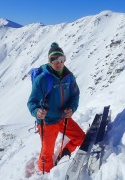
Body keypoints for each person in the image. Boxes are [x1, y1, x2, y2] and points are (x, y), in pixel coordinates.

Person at [27, 42, 85, 173]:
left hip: (63, 119)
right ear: (49, 61)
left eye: (61, 59)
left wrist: (72, 108)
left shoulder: (69, 77)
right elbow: (32, 102)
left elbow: (75, 95)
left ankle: (64, 154)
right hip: (47, 122)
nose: (58, 62)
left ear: (64, 59)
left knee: (80, 138)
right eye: (53, 59)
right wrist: (37, 111)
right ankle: (45, 174)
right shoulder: (42, 79)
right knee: (46, 155)